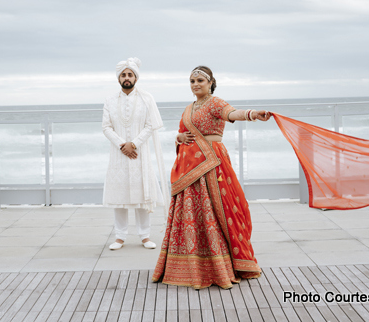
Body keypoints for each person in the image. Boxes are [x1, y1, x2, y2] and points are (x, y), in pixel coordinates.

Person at [152, 65, 271, 289]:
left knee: (216, 210)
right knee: (190, 212)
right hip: (189, 167)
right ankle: (189, 264)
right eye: (192, 81)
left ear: (210, 83)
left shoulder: (215, 103)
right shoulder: (188, 109)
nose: (195, 84)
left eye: (200, 81)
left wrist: (252, 114)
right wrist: (178, 136)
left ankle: (220, 263)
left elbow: (231, 113)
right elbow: (181, 133)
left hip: (210, 164)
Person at [102, 57, 170, 250]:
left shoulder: (146, 99)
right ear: (118, 79)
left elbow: (151, 125)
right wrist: (123, 145)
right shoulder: (109, 100)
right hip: (119, 154)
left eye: (130, 74)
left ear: (136, 78)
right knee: (119, 197)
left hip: (140, 153)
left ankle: (145, 236)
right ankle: (120, 236)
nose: (126, 78)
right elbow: (106, 127)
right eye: (123, 75)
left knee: (142, 195)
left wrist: (134, 144)